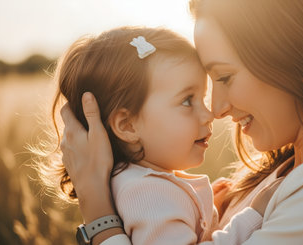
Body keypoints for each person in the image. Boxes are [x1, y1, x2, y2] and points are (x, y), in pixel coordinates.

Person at [59, 0, 303, 244]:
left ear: (294, 59)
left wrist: (100, 218)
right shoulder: (291, 169)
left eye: (223, 78)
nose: (217, 109)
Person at [40, 26, 274, 245]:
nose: (209, 114)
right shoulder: (149, 195)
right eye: (186, 101)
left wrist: (201, 210)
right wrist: (251, 216)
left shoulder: (141, 188)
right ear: (128, 126)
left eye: (202, 97)